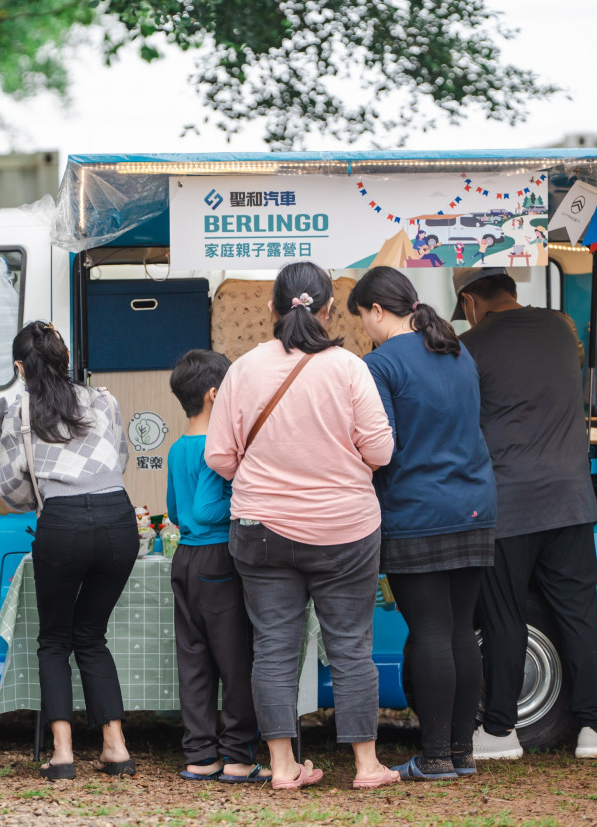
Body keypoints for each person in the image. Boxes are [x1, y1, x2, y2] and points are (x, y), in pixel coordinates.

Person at [206, 262, 398, 792]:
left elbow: (219, 455)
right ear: (329, 309)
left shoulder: (243, 370)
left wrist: (261, 473)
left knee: (272, 647)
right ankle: (366, 765)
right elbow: (380, 451)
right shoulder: (350, 368)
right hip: (345, 530)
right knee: (351, 647)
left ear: (272, 309)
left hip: (262, 530)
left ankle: (283, 765)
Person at [452, 267, 597, 760]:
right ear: (511, 288)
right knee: (579, 615)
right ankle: (592, 731)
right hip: (570, 501)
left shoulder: (469, 346)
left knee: (504, 616)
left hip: (509, 505)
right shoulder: (561, 329)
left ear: (470, 301)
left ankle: (501, 733)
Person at [349, 267, 497, 781]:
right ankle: (461, 753)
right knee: (460, 629)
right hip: (474, 505)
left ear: (376, 311)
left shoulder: (379, 364)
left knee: (431, 630)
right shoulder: (456, 350)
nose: (364, 328)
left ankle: (434, 757)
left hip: (417, 510)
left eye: (362, 318)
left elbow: (380, 447)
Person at [0, 320, 138, 780]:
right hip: (118, 521)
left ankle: (63, 754)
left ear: (20, 368)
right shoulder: (104, 400)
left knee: (54, 640)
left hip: (63, 525)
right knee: (91, 634)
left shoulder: (19, 411)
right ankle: (116, 748)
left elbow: (13, 490)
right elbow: (121, 459)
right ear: (66, 359)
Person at [166, 349, 267, 784]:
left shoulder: (176, 448)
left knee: (195, 661)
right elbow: (207, 511)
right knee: (235, 660)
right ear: (214, 395)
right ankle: (239, 756)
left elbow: (176, 511)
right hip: (218, 558)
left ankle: (200, 755)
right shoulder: (216, 447)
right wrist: (249, 500)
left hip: (185, 559)